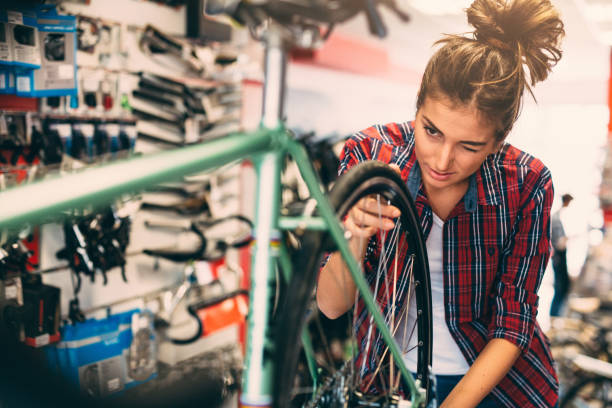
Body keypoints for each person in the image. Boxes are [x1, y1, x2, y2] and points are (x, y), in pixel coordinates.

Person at [316, 0, 564, 407]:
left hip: (496, 388)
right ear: (417, 108)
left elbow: (514, 321)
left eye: (469, 146)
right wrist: (354, 233)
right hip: (388, 380)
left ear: (498, 142)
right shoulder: (371, 154)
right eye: (431, 131)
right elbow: (330, 305)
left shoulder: (527, 183)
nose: (442, 161)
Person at [550, 193, 573, 317]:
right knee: (560, 287)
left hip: (558, 256)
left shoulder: (558, 216)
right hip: (558, 256)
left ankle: (556, 315)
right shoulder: (557, 217)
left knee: (562, 287)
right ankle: (554, 316)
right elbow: (559, 242)